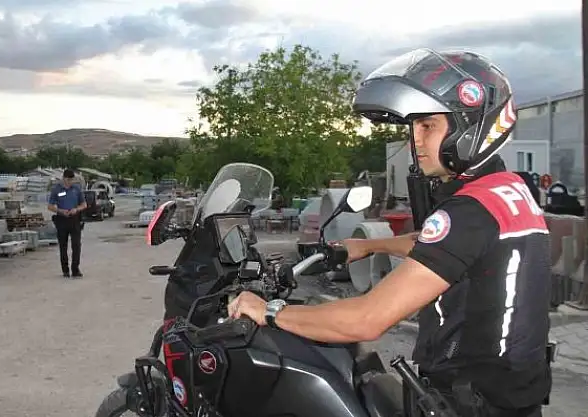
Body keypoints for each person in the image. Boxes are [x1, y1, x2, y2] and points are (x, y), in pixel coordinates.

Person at [229, 49, 551, 417]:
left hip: (466, 403)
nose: (416, 141)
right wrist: (368, 246)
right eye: (414, 128)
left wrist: (270, 311)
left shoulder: (469, 211)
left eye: (427, 126)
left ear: (471, 128)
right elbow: (443, 248)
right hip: (512, 396)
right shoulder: (507, 191)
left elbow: (367, 319)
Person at [48, 169, 87, 278]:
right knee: (63, 246)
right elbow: (50, 206)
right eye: (68, 180)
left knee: (76, 245)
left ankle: (75, 269)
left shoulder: (76, 189)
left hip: (74, 219)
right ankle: (65, 270)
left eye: (71, 180)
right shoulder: (56, 190)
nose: (69, 182)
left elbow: (84, 204)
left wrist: (76, 209)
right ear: (63, 178)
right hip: (62, 219)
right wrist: (60, 211)